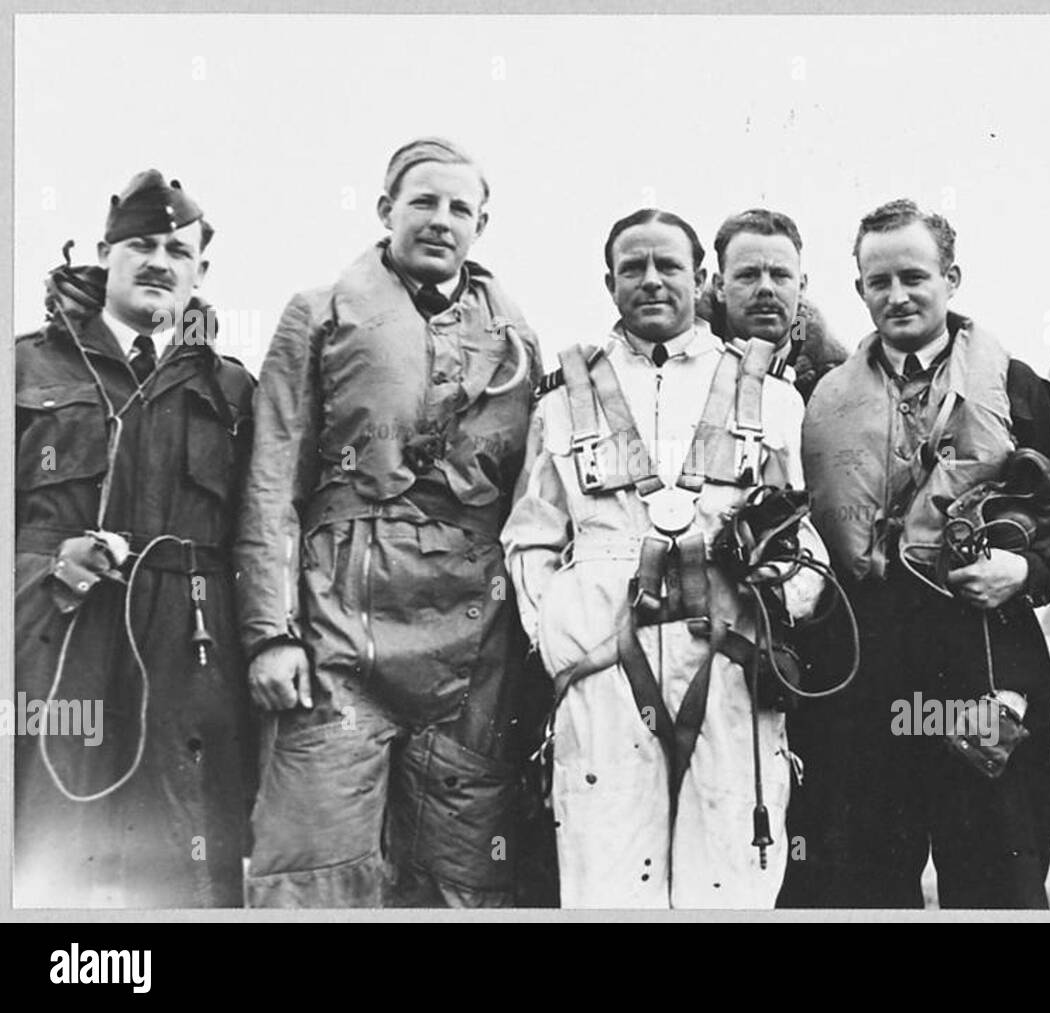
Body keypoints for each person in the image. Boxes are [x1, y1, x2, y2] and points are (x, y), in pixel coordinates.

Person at [235, 137, 542, 907]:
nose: (441, 220)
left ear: (481, 226)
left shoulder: (521, 344)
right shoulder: (318, 314)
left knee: (460, 877)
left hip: (472, 650)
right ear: (385, 211)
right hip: (339, 632)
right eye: (423, 202)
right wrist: (270, 632)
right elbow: (272, 478)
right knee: (316, 868)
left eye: (460, 208)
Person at [502, 208, 828, 908]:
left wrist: (782, 597)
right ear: (609, 281)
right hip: (601, 659)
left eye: (668, 266)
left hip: (732, 654)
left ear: (699, 278)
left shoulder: (771, 397)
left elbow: (801, 538)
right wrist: (562, 638)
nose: (651, 280)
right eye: (633, 267)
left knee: (734, 870)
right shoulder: (562, 402)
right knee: (605, 874)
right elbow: (531, 539)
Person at [799, 199, 1050, 908]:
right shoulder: (818, 398)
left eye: (914, 277)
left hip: (982, 659)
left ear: (952, 277)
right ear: (858, 289)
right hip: (863, 674)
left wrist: (1026, 571)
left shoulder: (1016, 384)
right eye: (878, 281)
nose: (897, 296)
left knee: (997, 880)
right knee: (862, 882)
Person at [14, 170, 256, 907]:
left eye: (178, 250)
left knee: (186, 866)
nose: (159, 261)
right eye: (141, 245)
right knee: (47, 855)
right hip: (57, 648)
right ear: (103, 253)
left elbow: (265, 534)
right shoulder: (24, 366)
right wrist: (49, 562)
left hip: (190, 654)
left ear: (200, 272)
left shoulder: (235, 391)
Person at [695, 207, 847, 403]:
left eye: (779, 275)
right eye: (748, 275)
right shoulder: (680, 369)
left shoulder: (838, 385)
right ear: (720, 287)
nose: (765, 288)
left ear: (801, 287)